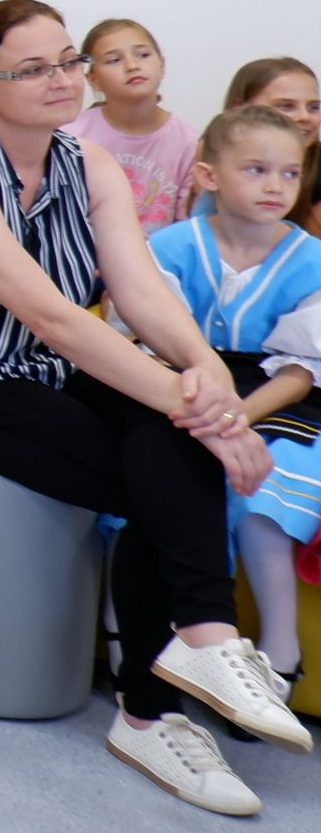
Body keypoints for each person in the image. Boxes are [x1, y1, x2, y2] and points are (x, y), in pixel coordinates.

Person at [0, 0, 305, 815]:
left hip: (39, 368)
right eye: (32, 69)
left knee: (174, 443)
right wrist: (207, 413)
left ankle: (196, 650)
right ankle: (156, 702)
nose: (62, 79)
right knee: (163, 466)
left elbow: (138, 290)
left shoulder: (86, 162)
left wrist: (207, 374)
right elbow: (54, 317)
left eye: (68, 60)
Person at [146, 106, 321, 696]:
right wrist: (208, 411)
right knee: (156, 479)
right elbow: (151, 336)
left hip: (277, 401)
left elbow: (300, 372)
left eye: (290, 173)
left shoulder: (312, 261)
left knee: (263, 485)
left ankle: (279, 652)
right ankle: (147, 647)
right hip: (181, 384)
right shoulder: (171, 246)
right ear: (209, 175)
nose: (276, 186)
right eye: (256, 170)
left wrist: (237, 417)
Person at [71, 18, 198, 232]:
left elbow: (185, 228)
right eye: (113, 60)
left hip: (160, 251)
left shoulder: (189, 142)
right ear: (93, 80)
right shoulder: (71, 136)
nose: (132, 66)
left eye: (143, 55)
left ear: (162, 66)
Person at [222, 57, 321, 234]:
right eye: (287, 106)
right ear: (239, 107)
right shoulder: (216, 158)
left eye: (313, 107)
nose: (304, 116)